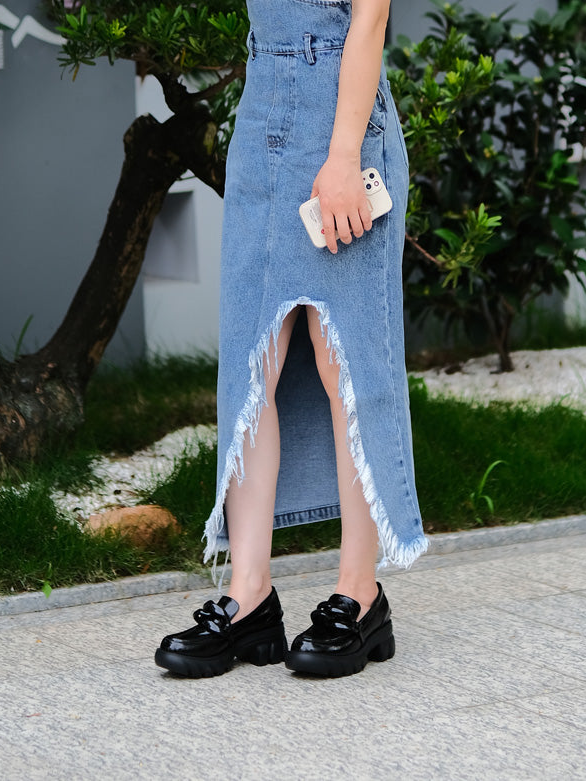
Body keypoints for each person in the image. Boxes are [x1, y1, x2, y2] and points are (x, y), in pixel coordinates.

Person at [154, 0, 427, 679]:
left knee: (347, 362)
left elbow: (369, 22)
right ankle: (249, 597)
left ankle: (360, 595)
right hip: (263, 122)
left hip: (344, 129)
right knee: (253, 360)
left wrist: (342, 157)